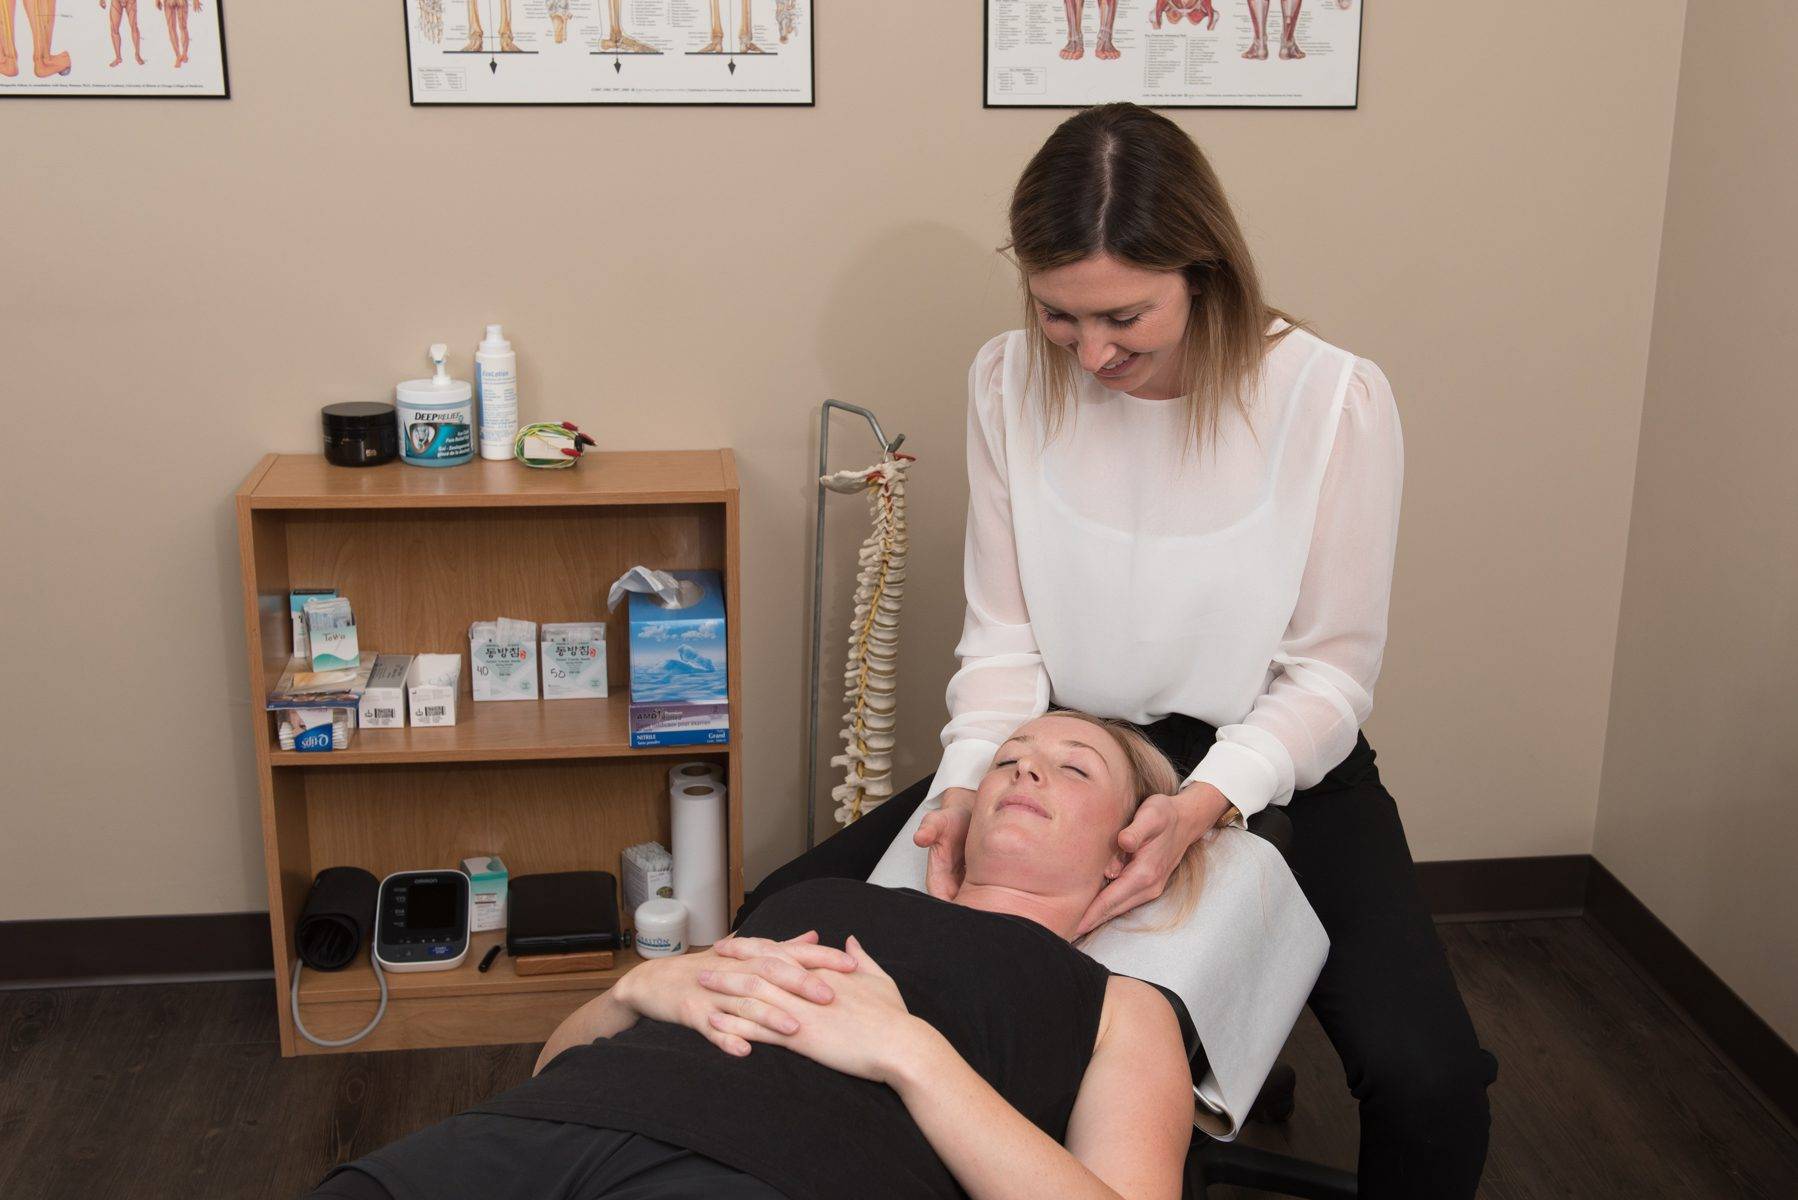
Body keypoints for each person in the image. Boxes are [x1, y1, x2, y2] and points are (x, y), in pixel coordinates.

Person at [738, 103, 1497, 1199]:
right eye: (1059, 316)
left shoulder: (1329, 400)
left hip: (1269, 765)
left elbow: (1327, 675)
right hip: (1068, 747)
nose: (1091, 355)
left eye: (1125, 319)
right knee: (782, 911)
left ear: (1204, 271)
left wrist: (1203, 803)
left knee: (1426, 1084)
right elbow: (1004, 639)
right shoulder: (1005, 379)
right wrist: (960, 789)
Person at [308, 712, 1198, 1200]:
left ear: (1130, 850)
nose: (1024, 773)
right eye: (1008, 759)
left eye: (1073, 769)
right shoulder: (821, 898)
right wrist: (638, 987)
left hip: (776, 1172)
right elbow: (552, 1063)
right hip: (547, 1126)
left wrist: (910, 1054)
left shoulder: (1119, 1003)